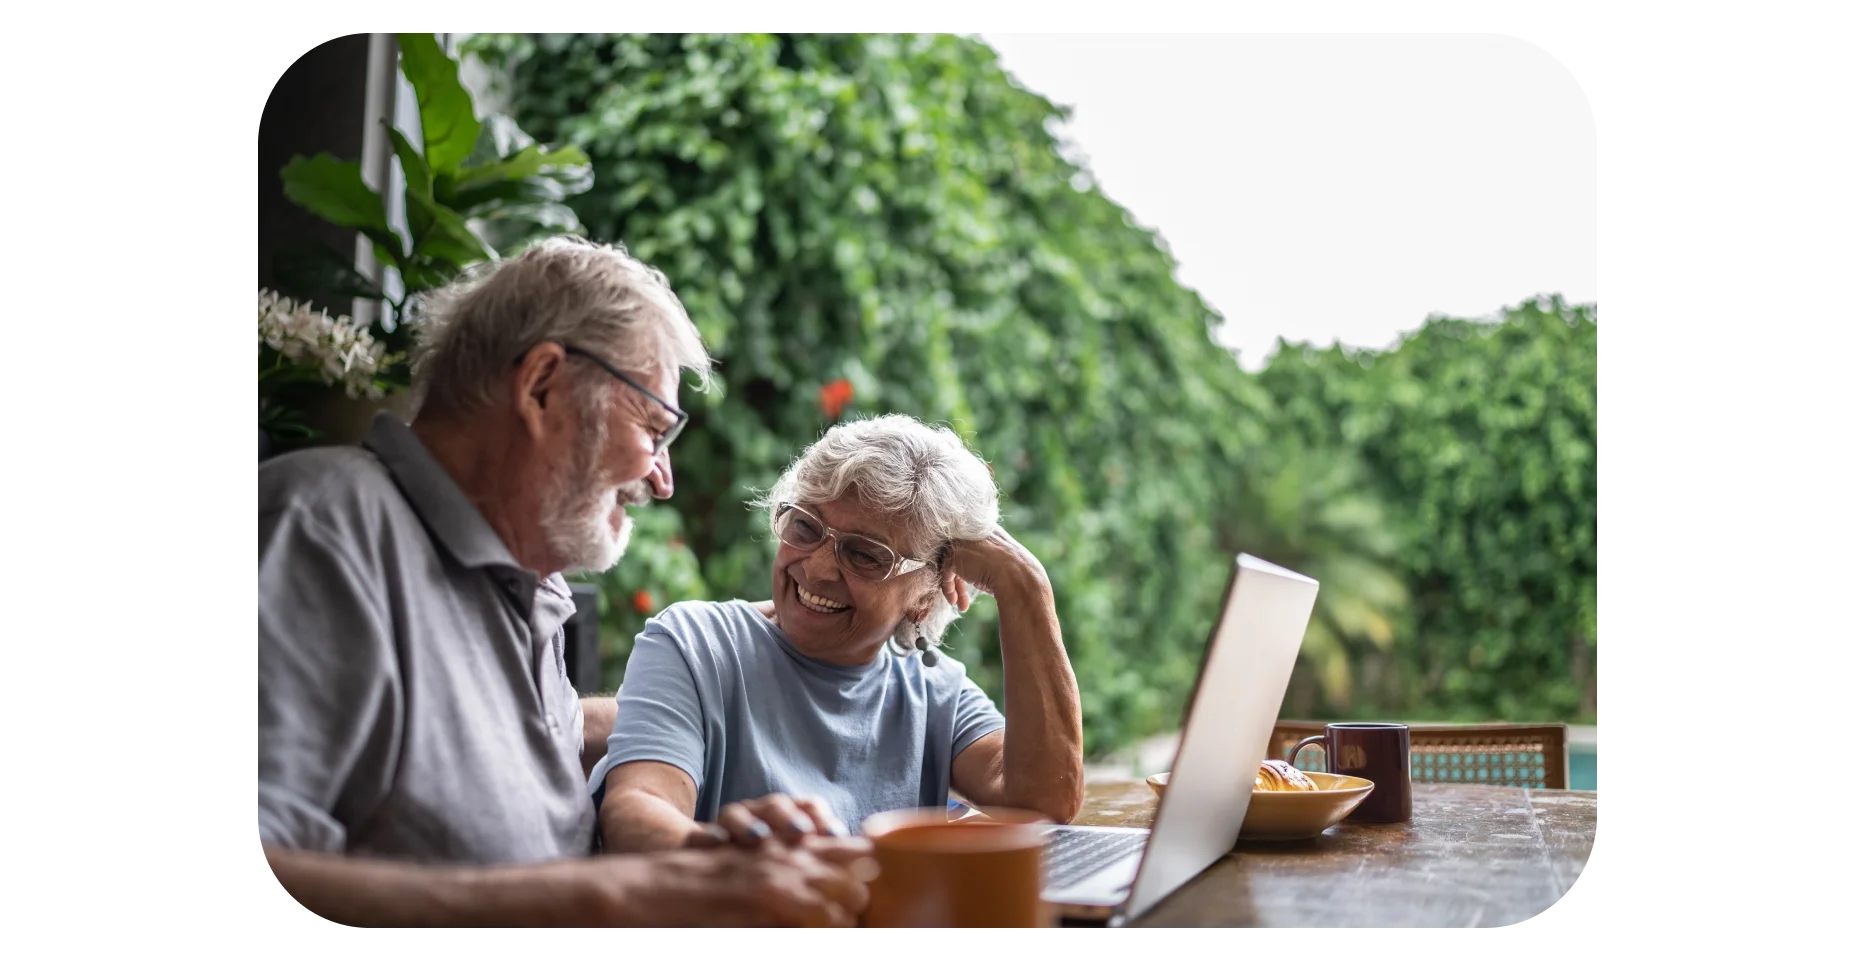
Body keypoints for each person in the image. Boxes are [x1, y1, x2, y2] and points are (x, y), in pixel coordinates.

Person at [257, 237, 875, 927]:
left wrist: (708, 857)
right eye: (653, 427)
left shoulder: (525, 584)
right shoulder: (320, 532)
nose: (661, 480)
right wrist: (613, 896)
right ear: (542, 386)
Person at [592, 414, 1085, 853]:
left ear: (924, 597)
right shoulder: (697, 644)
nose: (819, 568)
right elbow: (636, 817)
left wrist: (1025, 586)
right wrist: (737, 863)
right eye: (805, 528)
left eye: (865, 555)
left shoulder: (936, 692)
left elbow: (1042, 799)